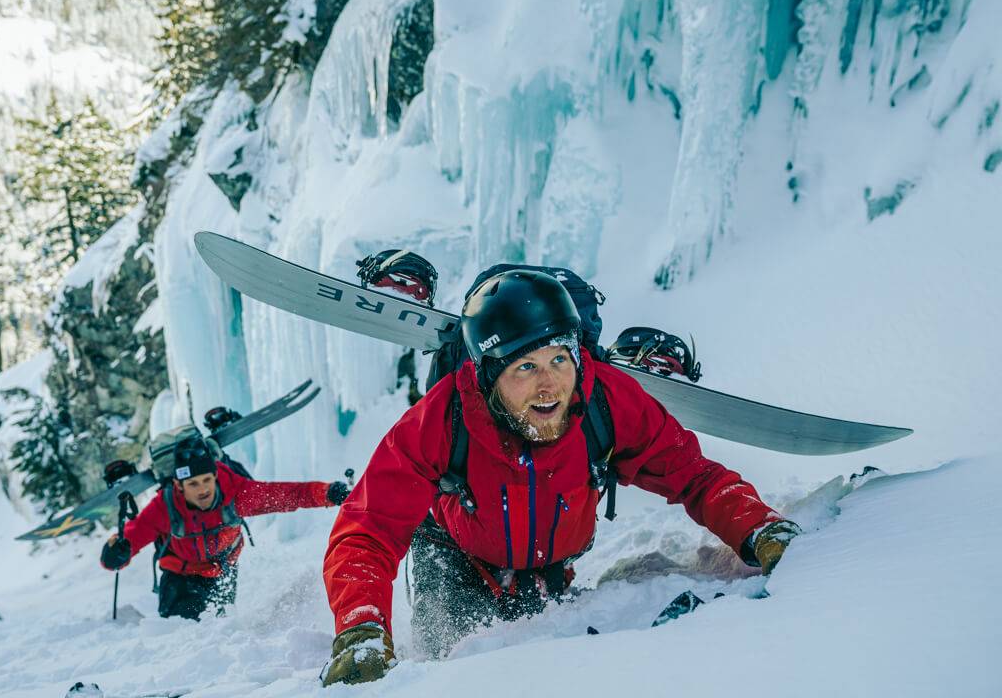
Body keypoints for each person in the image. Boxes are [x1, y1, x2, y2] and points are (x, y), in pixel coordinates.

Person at [320, 269, 800, 685]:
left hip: (549, 566)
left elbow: (693, 475)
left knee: (543, 663)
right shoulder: (441, 420)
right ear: (488, 374)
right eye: (525, 367)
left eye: (558, 360)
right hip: (457, 559)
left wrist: (758, 527)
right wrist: (361, 626)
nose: (548, 384)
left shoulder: (607, 401)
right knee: (458, 666)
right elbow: (368, 527)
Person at [101, 436, 351, 620]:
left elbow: (288, 495)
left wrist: (328, 493)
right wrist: (115, 555)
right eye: (193, 483)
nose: (203, 490)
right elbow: (133, 534)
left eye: (207, 480)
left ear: (215, 476)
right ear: (178, 485)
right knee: (181, 638)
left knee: (221, 634)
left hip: (223, 570)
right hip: (180, 577)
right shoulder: (165, 505)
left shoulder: (237, 493)